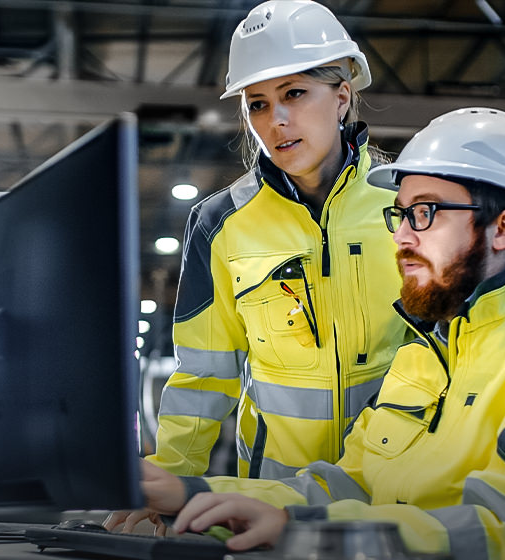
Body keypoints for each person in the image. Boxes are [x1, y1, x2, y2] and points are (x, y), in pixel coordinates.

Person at [109, 108, 505, 558]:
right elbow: (349, 486)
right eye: (400, 213)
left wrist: (298, 532)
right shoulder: (427, 357)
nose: (402, 236)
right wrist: (185, 493)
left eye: (426, 212)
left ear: (504, 227)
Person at [149, 0, 408, 481]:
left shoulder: (410, 204)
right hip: (275, 500)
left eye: (295, 93)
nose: (276, 120)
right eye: (258, 104)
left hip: (399, 491)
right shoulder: (221, 222)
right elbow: (205, 373)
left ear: (343, 97)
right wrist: (171, 476)